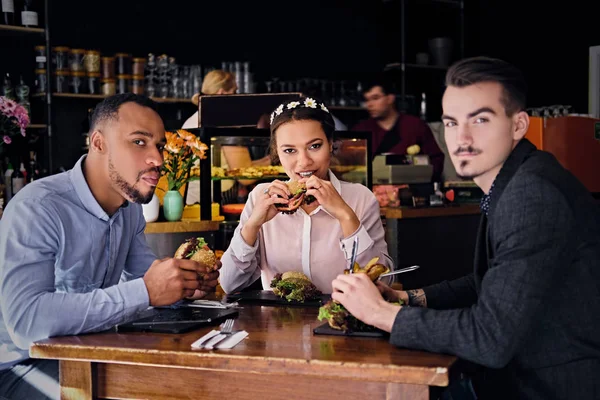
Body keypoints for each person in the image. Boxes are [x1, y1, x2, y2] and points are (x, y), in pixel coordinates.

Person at [330, 57, 600, 399]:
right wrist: (408, 298)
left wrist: (381, 314)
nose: (462, 137)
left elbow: (491, 337)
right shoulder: (517, 179)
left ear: (518, 125)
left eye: (481, 120)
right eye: (452, 123)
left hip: (552, 387)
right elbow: (492, 281)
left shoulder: (533, 195)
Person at [0, 93, 220, 400]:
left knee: (197, 382)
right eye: (139, 142)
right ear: (99, 143)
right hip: (21, 366)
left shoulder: (129, 208)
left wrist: (184, 285)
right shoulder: (38, 208)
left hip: (89, 352)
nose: (157, 159)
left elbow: (146, 275)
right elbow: (27, 322)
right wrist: (147, 291)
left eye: (160, 146)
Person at [219, 96, 394, 294]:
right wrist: (252, 226)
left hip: (341, 320)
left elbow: (383, 282)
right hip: (276, 323)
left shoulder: (360, 197)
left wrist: (346, 216)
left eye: (315, 146)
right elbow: (229, 284)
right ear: (277, 153)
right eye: (289, 150)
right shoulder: (261, 197)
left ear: (331, 144)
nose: (303, 162)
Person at [182, 69, 271, 205]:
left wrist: (270, 160)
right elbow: (244, 175)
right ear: (222, 93)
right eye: (234, 92)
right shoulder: (224, 122)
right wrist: (278, 163)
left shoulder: (193, 119)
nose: (237, 98)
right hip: (216, 200)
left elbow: (239, 166)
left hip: (189, 200)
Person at [352, 75, 445, 182]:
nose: (370, 105)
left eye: (375, 98)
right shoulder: (361, 129)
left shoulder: (415, 126)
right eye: (367, 100)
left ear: (390, 98)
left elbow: (436, 161)